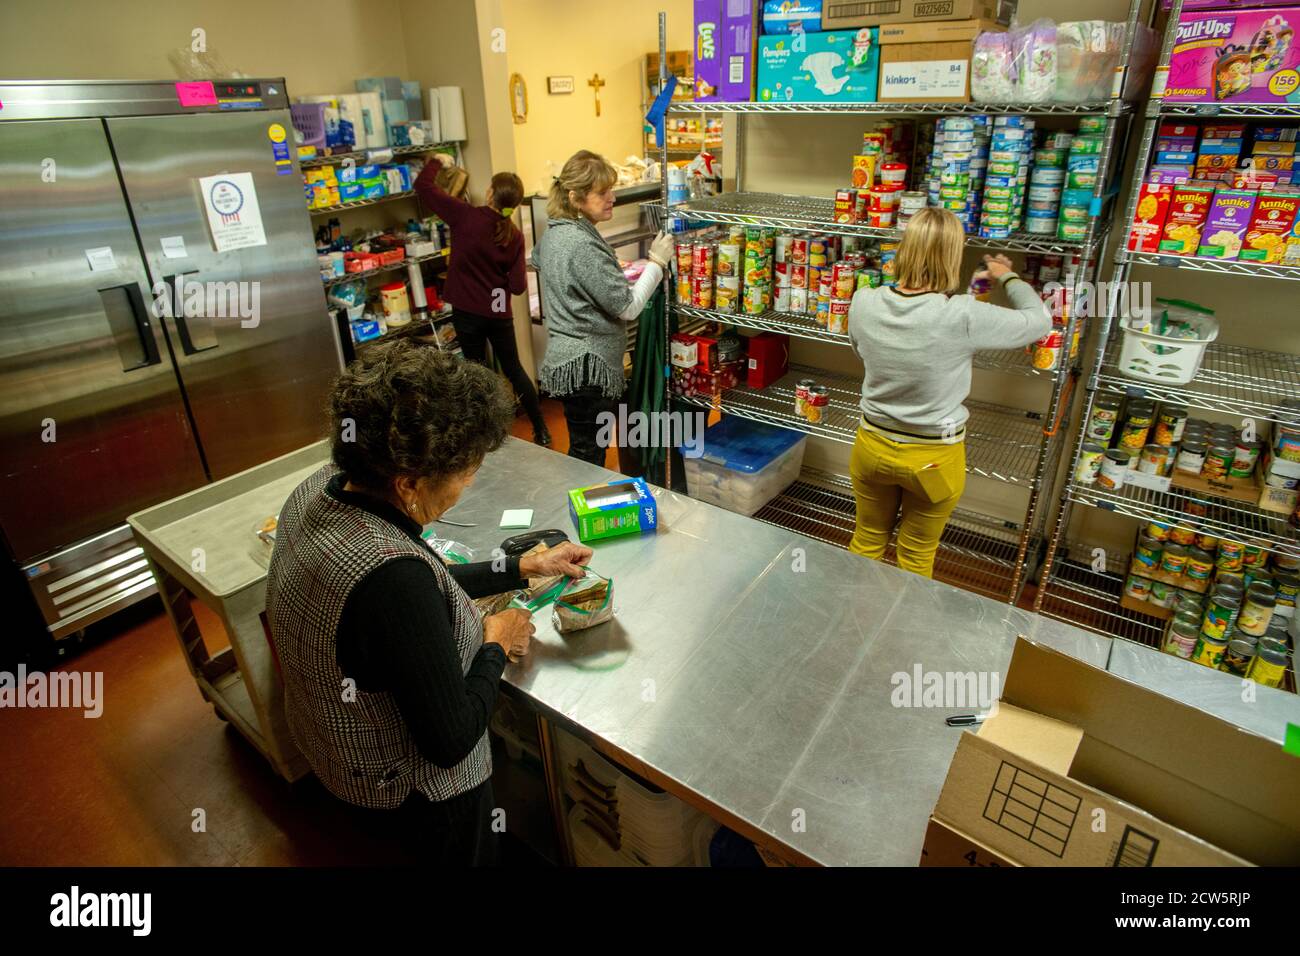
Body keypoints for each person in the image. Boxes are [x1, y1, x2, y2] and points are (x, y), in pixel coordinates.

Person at [265, 338, 592, 865]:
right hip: (416, 804)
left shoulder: (319, 489)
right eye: (465, 474)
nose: (468, 484)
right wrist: (496, 642)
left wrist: (519, 566)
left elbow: (412, 591)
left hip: (338, 761)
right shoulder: (392, 579)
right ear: (410, 483)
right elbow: (451, 737)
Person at [846, 207, 1051, 579]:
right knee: (917, 554)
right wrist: (1008, 276)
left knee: (867, 539)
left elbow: (862, 350)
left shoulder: (863, 302)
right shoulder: (962, 314)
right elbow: (1039, 322)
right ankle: (902, 635)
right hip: (934, 459)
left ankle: (848, 627)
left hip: (872, 446)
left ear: (904, 249)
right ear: (952, 256)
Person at [532, 149, 675, 465]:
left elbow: (538, 259)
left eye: (611, 189)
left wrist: (599, 273)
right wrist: (656, 261)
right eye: (602, 192)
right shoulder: (580, 244)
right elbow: (628, 307)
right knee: (588, 456)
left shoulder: (557, 230)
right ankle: (580, 513)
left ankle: (579, 509)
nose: (612, 197)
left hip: (571, 361)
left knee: (585, 450)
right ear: (575, 197)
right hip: (587, 368)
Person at [415, 154, 550, 446]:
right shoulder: (514, 236)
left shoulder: (464, 216)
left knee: (476, 372)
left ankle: (492, 434)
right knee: (513, 369)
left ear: (489, 193)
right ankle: (541, 429)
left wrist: (437, 161)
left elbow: (423, 187)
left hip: (467, 311)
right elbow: (516, 286)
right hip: (498, 312)